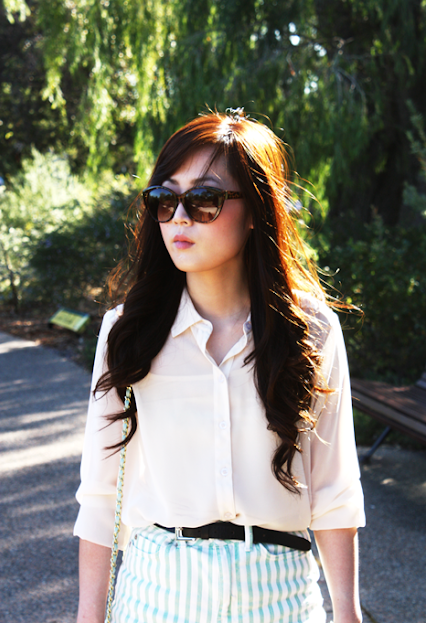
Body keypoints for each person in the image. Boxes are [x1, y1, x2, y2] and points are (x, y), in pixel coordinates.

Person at [74, 108, 365, 623]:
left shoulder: (311, 330)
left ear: (255, 210)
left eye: (204, 199)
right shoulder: (128, 332)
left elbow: (333, 490)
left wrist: (348, 613)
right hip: (157, 592)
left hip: (280, 596)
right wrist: (88, 617)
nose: (180, 218)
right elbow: (100, 495)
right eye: (165, 199)